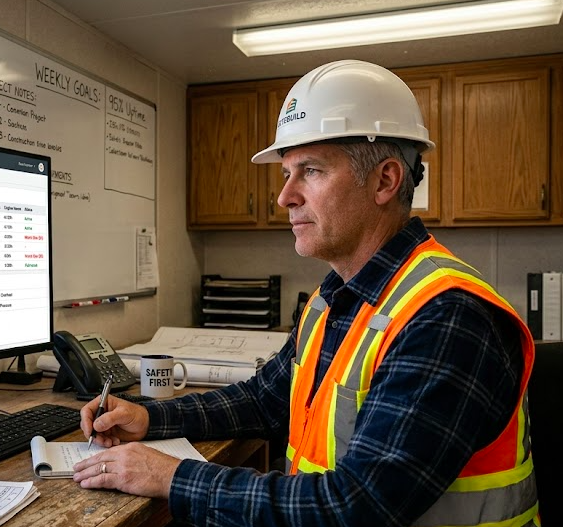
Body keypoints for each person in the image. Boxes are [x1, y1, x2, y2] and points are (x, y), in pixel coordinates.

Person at [72, 60, 538, 527]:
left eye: (310, 171)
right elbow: (265, 400)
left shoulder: (445, 316)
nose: (285, 197)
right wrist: (151, 419)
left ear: (385, 180)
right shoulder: (333, 298)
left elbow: (356, 506)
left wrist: (173, 478)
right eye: (286, 174)